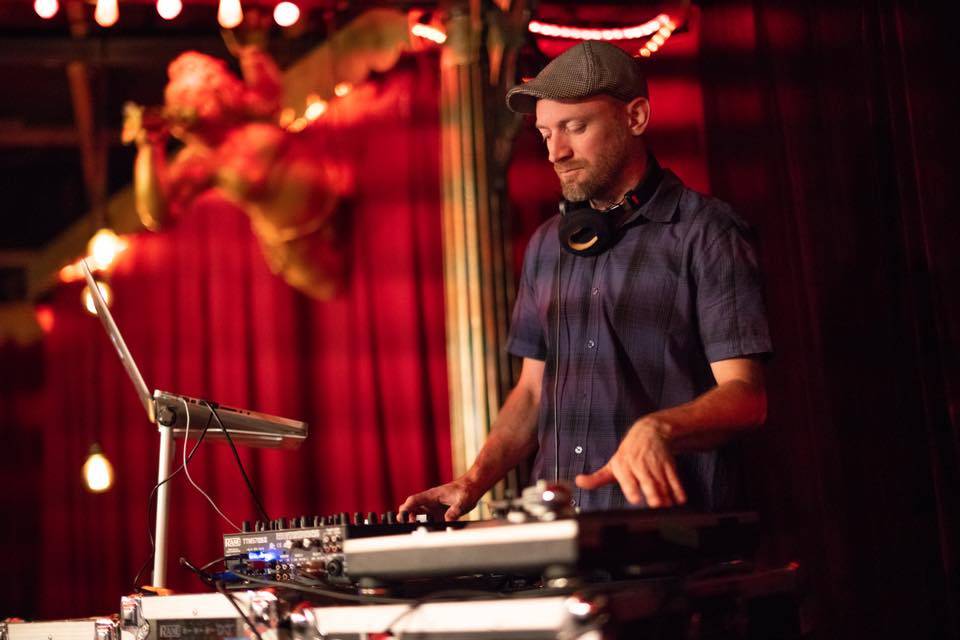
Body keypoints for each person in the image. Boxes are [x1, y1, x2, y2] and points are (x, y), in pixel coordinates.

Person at [400, 41, 772, 519]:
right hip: (556, 526)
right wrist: (474, 481)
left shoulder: (706, 233)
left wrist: (660, 427)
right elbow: (532, 390)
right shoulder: (546, 244)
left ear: (635, 117)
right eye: (545, 133)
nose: (556, 152)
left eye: (575, 127)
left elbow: (747, 397)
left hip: (668, 534)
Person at [123, 47, 348, 299]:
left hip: (345, 196)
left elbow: (270, 94)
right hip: (301, 243)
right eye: (188, 96)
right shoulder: (200, 162)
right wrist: (149, 148)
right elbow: (158, 214)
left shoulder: (246, 116)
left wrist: (252, 52)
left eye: (205, 91)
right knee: (338, 291)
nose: (200, 100)